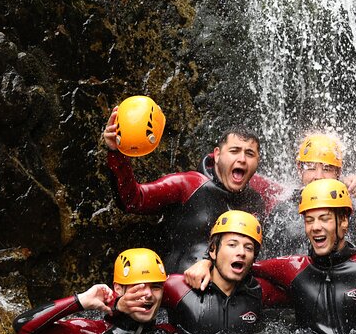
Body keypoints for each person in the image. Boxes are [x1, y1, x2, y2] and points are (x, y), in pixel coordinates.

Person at [103, 106, 267, 274]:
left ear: (258, 161)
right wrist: (116, 153)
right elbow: (134, 200)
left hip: (228, 293)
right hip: (179, 285)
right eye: (234, 151)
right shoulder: (188, 185)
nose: (242, 159)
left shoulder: (255, 202)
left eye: (249, 154)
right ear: (217, 155)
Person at [251, 178, 356, 334]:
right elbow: (243, 269)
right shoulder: (293, 268)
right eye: (309, 220)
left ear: (343, 221)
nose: (315, 227)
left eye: (324, 219)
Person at [162, 210, 286, 334]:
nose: (241, 253)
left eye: (248, 248)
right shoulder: (179, 287)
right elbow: (144, 298)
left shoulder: (257, 291)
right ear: (213, 251)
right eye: (232, 245)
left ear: (253, 258)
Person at [13, 248, 169, 334]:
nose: (148, 294)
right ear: (118, 289)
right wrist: (80, 301)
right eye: (139, 287)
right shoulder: (90, 332)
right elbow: (24, 327)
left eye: (156, 287)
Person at [262, 133, 356, 258]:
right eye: (311, 168)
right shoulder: (283, 213)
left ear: (338, 173)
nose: (319, 176)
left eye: (327, 169)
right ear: (300, 170)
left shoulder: (348, 211)